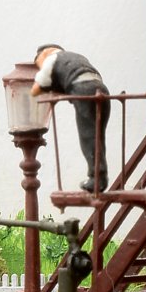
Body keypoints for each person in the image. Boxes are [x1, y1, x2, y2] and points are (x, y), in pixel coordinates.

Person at [31, 44, 111, 192]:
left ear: (45, 53)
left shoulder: (51, 59)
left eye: (38, 63)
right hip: (102, 90)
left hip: (84, 90)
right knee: (98, 135)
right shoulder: (78, 57)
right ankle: (101, 177)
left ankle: (96, 179)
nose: (39, 67)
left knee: (88, 135)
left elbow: (36, 89)